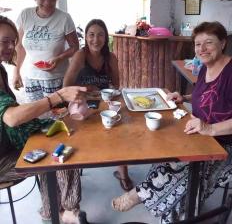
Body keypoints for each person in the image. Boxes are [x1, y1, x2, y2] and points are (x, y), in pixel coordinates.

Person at [112, 21, 232, 223]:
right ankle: (175, 213)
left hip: (225, 146)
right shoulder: (205, 67)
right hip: (202, 135)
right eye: (197, 44)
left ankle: (142, 195)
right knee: (171, 157)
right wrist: (183, 98)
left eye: (208, 43)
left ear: (222, 43)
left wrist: (211, 128)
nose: (201, 49)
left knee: (185, 169)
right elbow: (204, 96)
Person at [0, 15, 86, 224]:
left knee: (61, 141)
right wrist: (58, 96)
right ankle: (64, 212)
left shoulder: (0, 70)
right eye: (4, 41)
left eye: (13, 41)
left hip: (9, 142)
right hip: (3, 156)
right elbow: (11, 118)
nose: (11, 46)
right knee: (58, 155)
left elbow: (9, 113)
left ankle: (55, 212)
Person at [63, 18, 133, 191]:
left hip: (104, 102)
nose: (96, 39)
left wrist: (104, 93)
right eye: (91, 35)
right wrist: (86, 90)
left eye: (100, 35)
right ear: (86, 37)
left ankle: (123, 174)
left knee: (119, 131)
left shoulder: (111, 58)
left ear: (105, 37)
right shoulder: (80, 56)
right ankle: (73, 174)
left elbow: (116, 85)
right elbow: (66, 86)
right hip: (82, 102)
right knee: (80, 133)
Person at [12, 0, 79, 104]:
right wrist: (16, 72)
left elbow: (75, 46)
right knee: (36, 116)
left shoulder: (64, 18)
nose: (47, 2)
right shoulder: (25, 15)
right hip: (31, 77)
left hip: (56, 78)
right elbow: (19, 46)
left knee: (58, 115)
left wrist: (59, 58)